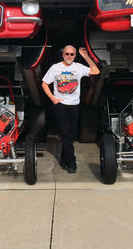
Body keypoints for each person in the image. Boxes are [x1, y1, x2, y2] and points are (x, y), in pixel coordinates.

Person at [42, 45, 100, 173]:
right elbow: (44, 83)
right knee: (67, 134)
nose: (69, 56)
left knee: (68, 135)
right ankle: (71, 162)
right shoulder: (56, 68)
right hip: (60, 106)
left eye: (72, 54)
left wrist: (86, 56)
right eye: (67, 54)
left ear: (75, 56)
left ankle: (63, 160)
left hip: (75, 105)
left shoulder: (78, 67)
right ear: (63, 54)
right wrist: (53, 99)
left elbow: (96, 71)